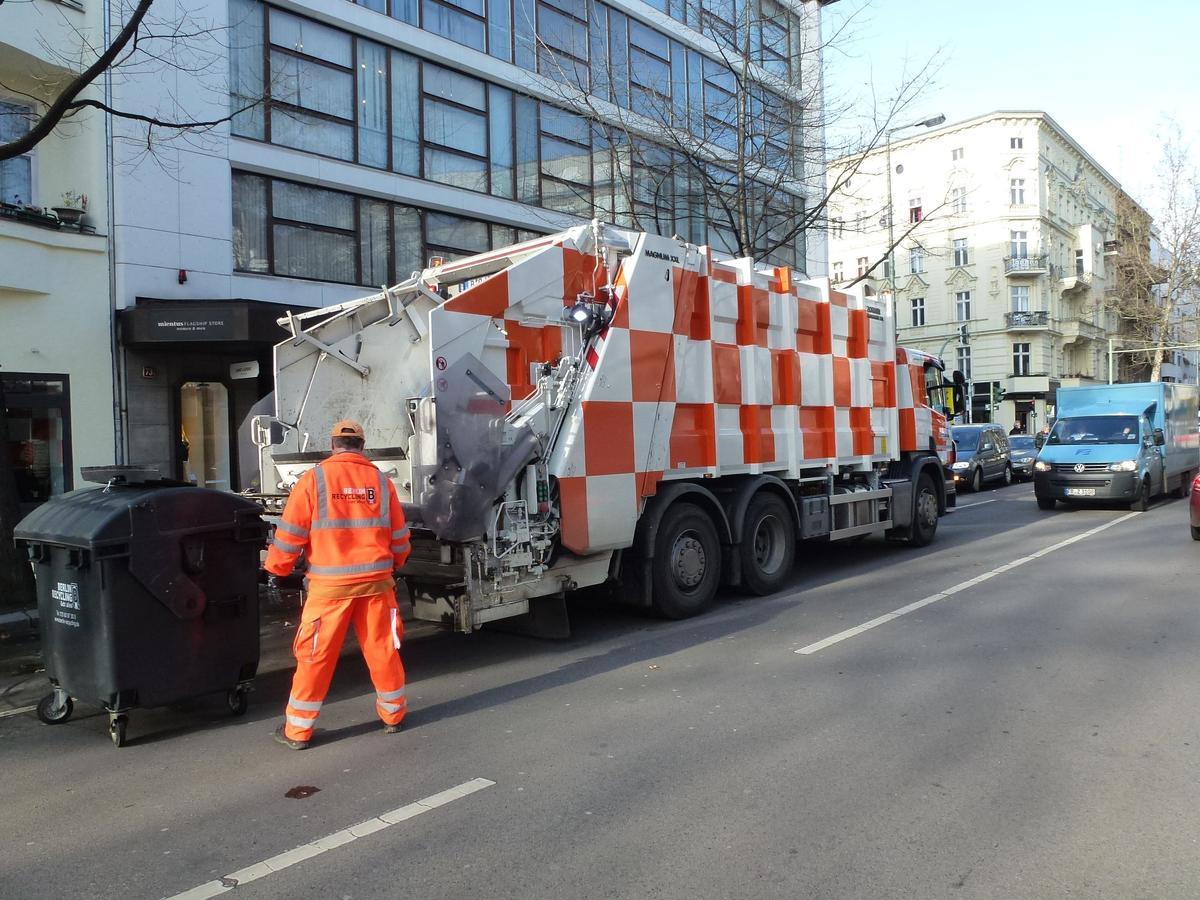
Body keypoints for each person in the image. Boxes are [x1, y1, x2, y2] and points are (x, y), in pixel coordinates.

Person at [265, 420, 412, 750]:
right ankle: (393, 716)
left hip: (330, 589)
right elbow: (399, 537)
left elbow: (290, 536)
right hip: (376, 586)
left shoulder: (312, 480)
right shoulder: (381, 482)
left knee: (315, 657)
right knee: (383, 651)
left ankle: (298, 731)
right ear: (362, 446)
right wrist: (396, 563)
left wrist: (275, 567)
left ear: (333, 445)